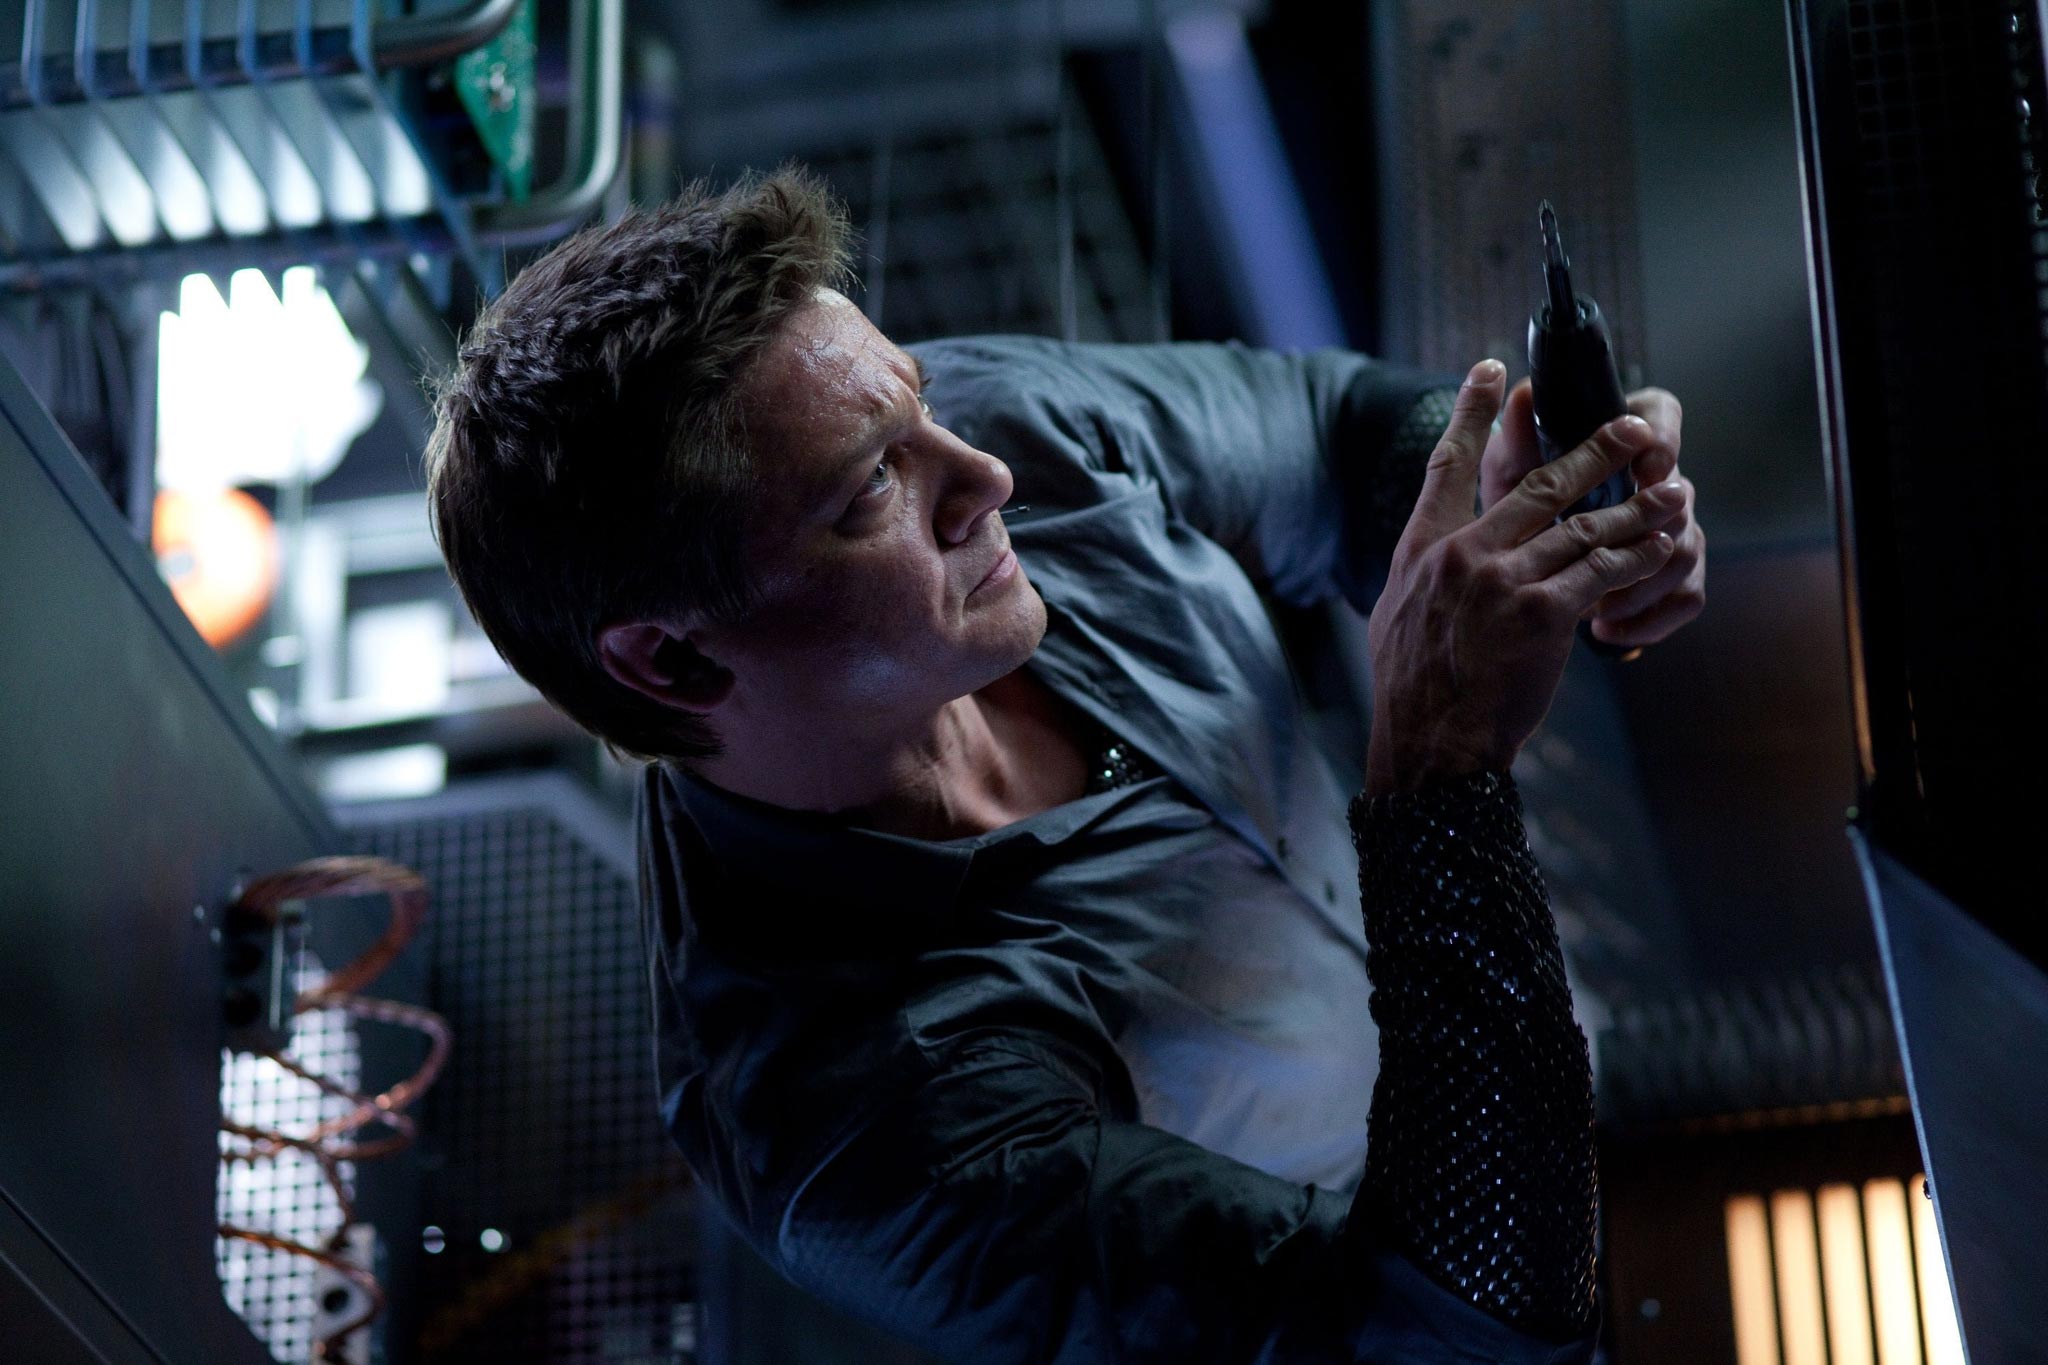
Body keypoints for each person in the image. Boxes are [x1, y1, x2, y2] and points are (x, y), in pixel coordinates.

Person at [424, 168, 1706, 1363]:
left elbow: (1335, 434)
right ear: (673, 662)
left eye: (919, 402)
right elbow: (1450, 1333)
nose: (983, 474)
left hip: (1546, 1057)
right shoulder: (861, 1118)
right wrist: (1438, 771)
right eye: (868, 491)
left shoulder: (983, 429)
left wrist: (1525, 516)